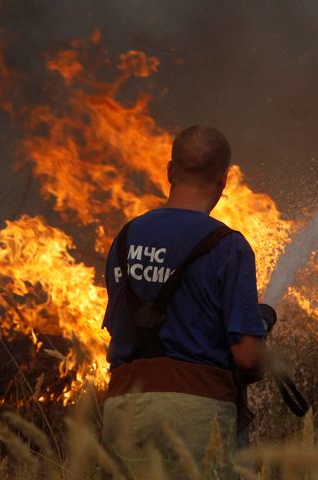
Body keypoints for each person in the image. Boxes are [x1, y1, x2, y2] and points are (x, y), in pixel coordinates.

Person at [101, 125, 267, 478]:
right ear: (224, 179)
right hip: (196, 415)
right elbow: (247, 357)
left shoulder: (124, 238)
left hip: (122, 410)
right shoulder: (228, 246)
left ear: (169, 170)